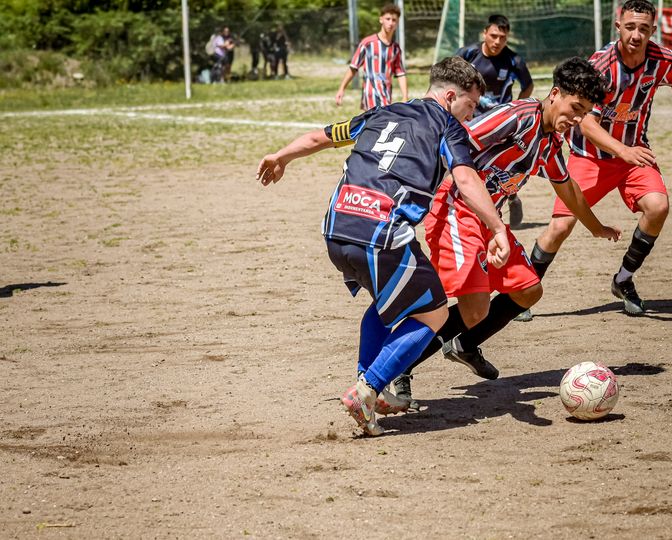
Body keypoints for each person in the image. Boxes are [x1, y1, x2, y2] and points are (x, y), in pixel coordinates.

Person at [256, 57, 510, 436]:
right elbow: (467, 180)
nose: (471, 115)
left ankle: (372, 385)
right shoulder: (447, 126)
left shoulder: (380, 111)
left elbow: (318, 137)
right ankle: (369, 387)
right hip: (379, 233)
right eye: (471, 105)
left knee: (385, 302)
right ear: (451, 95)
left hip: (336, 228)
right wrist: (497, 227)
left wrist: (280, 156)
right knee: (435, 313)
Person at [392, 57, 622, 410]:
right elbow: (457, 139)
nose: (577, 119)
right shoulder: (516, 115)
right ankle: (397, 366)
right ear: (555, 94)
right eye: (575, 108)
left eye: (585, 113)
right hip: (455, 207)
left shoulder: (547, 143)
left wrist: (596, 227)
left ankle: (465, 344)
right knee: (471, 307)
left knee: (528, 290)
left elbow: (567, 188)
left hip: (489, 221)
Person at [523, 0, 672, 319]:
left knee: (658, 207)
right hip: (590, 157)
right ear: (618, 26)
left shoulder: (663, 59)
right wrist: (622, 150)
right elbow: (586, 121)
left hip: (635, 152)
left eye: (645, 28)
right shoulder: (600, 65)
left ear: (653, 30)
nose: (637, 34)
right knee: (560, 226)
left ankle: (623, 280)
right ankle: (523, 290)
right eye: (631, 26)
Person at [457, 14, 535, 229]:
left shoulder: (513, 60)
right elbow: (451, 77)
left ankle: (511, 198)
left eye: (502, 37)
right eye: (493, 36)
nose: (497, 41)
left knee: (501, 165)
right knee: (469, 161)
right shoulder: (468, 54)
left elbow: (528, 85)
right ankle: (470, 206)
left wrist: (516, 109)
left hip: (501, 123)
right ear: (484, 33)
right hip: (471, 120)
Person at [335, 3, 408, 110]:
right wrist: (341, 89)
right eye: (387, 19)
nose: (390, 23)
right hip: (370, 96)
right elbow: (353, 67)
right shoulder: (368, 43)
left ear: (397, 23)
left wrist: (405, 96)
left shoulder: (395, 48)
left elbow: (401, 74)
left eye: (394, 20)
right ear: (381, 20)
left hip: (386, 97)